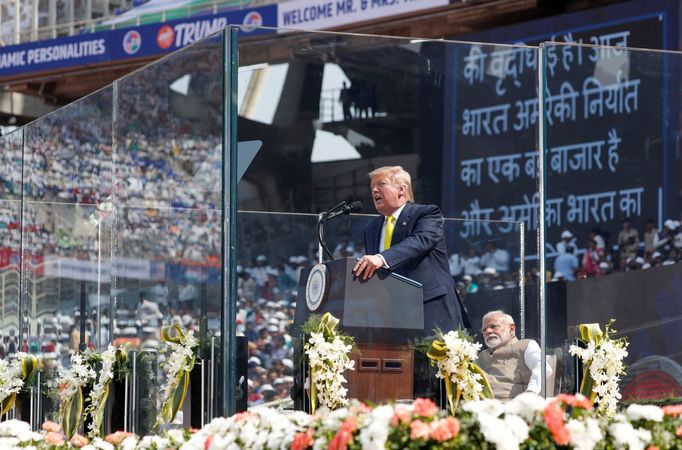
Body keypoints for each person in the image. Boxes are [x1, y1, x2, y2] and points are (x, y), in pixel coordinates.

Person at [353, 165, 470, 334]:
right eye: (372, 187)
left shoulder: (426, 214)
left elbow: (420, 240)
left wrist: (381, 258)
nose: (374, 190)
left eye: (381, 184)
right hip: (392, 315)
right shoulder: (371, 228)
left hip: (430, 310)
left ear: (401, 190)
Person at [477, 310, 553, 399]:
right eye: (484, 330)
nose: (488, 331)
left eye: (494, 326)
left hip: (514, 405)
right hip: (481, 406)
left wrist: (531, 391)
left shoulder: (525, 345)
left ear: (511, 329)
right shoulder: (481, 355)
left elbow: (543, 368)